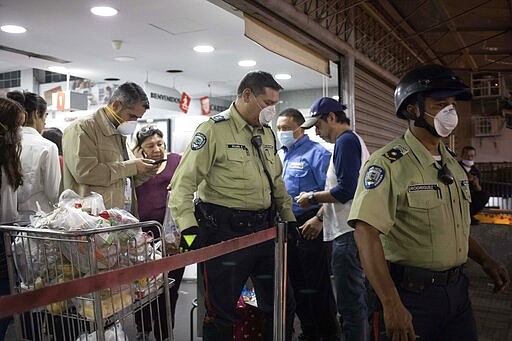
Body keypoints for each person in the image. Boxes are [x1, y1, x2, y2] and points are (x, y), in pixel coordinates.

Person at [348, 64, 510, 341]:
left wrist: (485, 260)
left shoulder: (452, 164)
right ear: (413, 109)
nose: (451, 112)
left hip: (458, 292)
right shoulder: (389, 164)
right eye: (441, 104)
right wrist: (391, 303)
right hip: (411, 296)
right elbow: (366, 233)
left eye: (453, 105)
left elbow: (454, 227)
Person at [170, 71, 296, 341]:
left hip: (265, 232)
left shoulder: (267, 134)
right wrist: (189, 231)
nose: (271, 111)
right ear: (247, 95)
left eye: (275, 104)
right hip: (224, 235)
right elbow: (182, 185)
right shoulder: (213, 129)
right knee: (221, 315)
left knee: (281, 307)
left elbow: (276, 180)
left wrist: (289, 217)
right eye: (267, 103)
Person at [296, 97, 370, 341]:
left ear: (331, 118)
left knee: (350, 306)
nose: (317, 133)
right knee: (353, 302)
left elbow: (345, 190)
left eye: (318, 125)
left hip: (347, 235)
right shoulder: (350, 141)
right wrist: (319, 216)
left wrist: (312, 197)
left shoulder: (346, 142)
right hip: (347, 231)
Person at [276, 108, 338, 341]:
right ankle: (308, 332)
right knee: (295, 284)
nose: (281, 132)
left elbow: (333, 193)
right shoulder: (280, 155)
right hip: (286, 227)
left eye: (285, 128)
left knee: (316, 284)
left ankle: (328, 333)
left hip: (310, 224)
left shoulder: (317, 154)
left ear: (300, 129)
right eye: (278, 128)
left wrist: (320, 219)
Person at [62, 82, 158, 211]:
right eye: (131, 116)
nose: (133, 122)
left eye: (137, 118)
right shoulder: (82, 128)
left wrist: (145, 171)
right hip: (91, 219)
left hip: (119, 218)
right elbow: (85, 173)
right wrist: (133, 166)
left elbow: (122, 178)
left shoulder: (119, 133)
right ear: (116, 105)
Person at [132, 125, 184, 341]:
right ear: (140, 148)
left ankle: (165, 332)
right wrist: (135, 163)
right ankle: (142, 327)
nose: (157, 149)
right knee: (142, 286)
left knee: (170, 287)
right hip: (142, 237)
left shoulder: (176, 161)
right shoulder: (135, 166)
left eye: (160, 143)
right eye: (150, 145)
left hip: (172, 236)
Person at [7, 91, 61, 219]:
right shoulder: (48, 147)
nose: (45, 123)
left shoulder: (7, 143)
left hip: (9, 221)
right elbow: (54, 193)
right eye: (45, 116)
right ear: (37, 113)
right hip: (39, 220)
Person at [0, 97, 26, 340]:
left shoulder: (8, 157)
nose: (19, 132)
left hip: (8, 231)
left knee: (9, 296)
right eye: (16, 126)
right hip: (1, 234)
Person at [460, 145, 490, 224]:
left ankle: (470, 215)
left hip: (471, 193)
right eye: (467, 155)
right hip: (459, 192)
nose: (469, 158)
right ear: (462, 155)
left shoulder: (476, 171)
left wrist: (476, 184)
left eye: (472, 156)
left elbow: (479, 189)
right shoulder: (457, 167)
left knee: (484, 195)